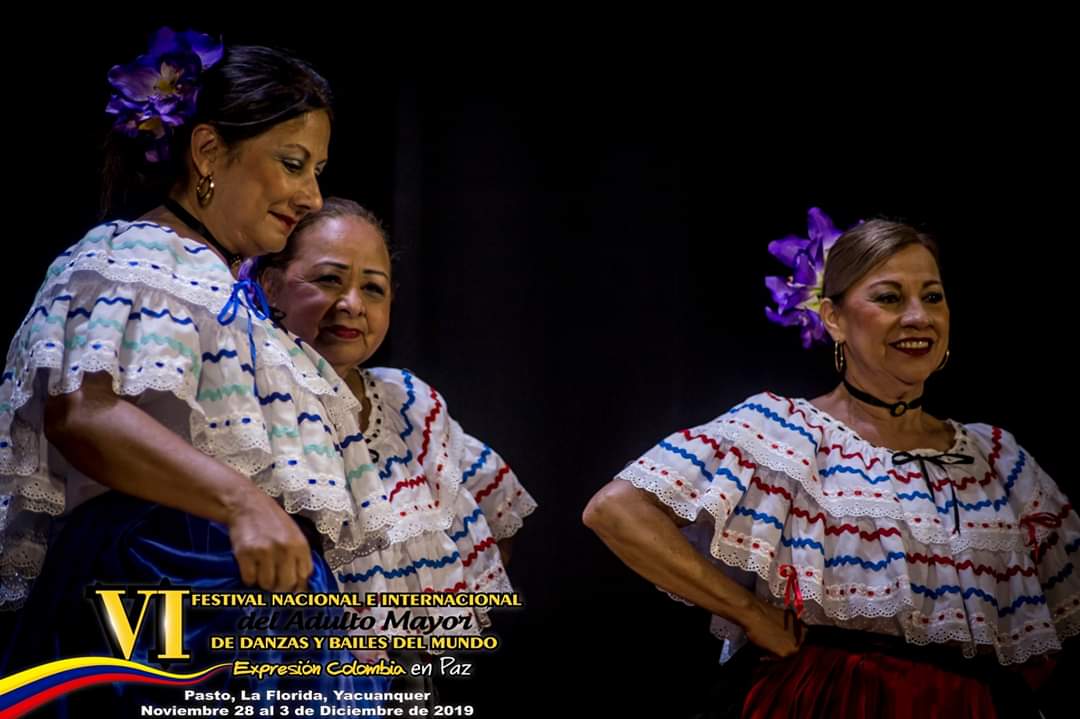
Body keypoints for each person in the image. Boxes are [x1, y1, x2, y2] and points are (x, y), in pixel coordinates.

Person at [0, 28, 388, 714]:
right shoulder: (137, 256)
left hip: (258, 605)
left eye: (318, 170)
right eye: (293, 163)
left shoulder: (228, 292)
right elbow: (82, 410)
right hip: (161, 576)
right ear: (208, 150)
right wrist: (241, 502)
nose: (311, 195)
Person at [583, 210, 1079, 717]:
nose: (918, 317)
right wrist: (749, 613)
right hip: (828, 702)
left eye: (933, 296)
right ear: (834, 318)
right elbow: (616, 511)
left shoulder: (996, 458)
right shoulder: (785, 434)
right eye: (889, 297)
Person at [255, 197, 536, 632]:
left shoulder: (407, 402)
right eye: (329, 279)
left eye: (373, 288)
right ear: (271, 284)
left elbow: (498, 511)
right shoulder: (244, 404)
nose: (352, 304)